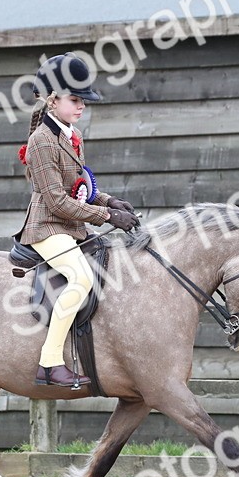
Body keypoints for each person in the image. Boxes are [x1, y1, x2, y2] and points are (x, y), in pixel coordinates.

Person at [16, 53, 140, 387]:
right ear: (52, 100)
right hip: (47, 227)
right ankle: (49, 362)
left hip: (71, 224)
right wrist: (107, 215)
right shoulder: (41, 140)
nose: (81, 105)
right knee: (81, 278)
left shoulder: (73, 135)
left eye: (82, 100)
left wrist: (110, 200)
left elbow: (78, 187)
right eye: (75, 99)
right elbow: (56, 201)